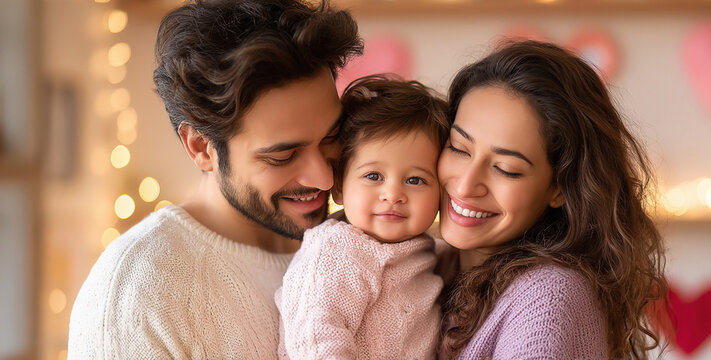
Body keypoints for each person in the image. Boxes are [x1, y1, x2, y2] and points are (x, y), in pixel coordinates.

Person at [67, 0, 362, 358]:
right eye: (283, 156)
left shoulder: (356, 242)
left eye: (331, 137)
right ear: (201, 147)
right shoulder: (135, 295)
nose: (325, 178)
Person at [437, 41, 668, 359]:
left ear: (559, 188)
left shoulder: (546, 298)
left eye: (506, 169)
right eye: (459, 148)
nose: (465, 186)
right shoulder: (431, 268)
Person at [276, 75, 449, 359]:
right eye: (373, 176)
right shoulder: (335, 253)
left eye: (415, 180)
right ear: (339, 187)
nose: (393, 194)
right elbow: (315, 339)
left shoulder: (428, 252)